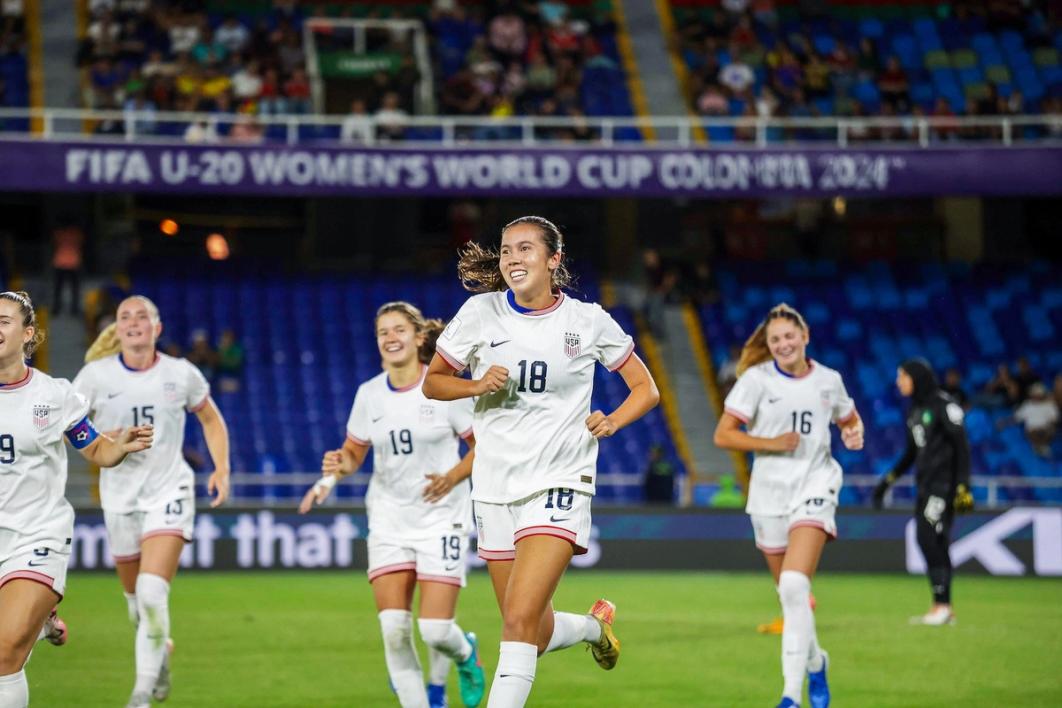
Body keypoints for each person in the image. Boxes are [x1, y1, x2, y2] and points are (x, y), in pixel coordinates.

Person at [423, 216, 660, 708]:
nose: (512, 258)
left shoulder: (587, 320)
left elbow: (646, 388)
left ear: (554, 259)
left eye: (525, 249)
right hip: (493, 488)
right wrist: (475, 383)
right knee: (530, 629)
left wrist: (613, 421)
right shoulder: (479, 312)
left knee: (516, 624)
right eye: (507, 250)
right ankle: (595, 628)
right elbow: (433, 382)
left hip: (559, 480)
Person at [300, 301, 486, 708]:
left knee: (436, 630)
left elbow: (483, 446)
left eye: (399, 329)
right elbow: (353, 454)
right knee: (394, 630)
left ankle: (466, 652)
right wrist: (334, 471)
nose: (390, 337)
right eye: (383, 331)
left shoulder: (444, 388)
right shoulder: (369, 394)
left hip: (442, 517)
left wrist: (452, 477)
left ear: (419, 338)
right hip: (388, 518)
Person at [73, 295, 231, 708]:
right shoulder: (94, 377)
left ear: (157, 328)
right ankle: (160, 657)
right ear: (117, 329)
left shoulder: (181, 374)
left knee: (150, 592)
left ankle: (141, 693)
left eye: (142, 316)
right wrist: (105, 443)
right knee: (135, 607)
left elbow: (211, 418)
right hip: (119, 499)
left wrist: (221, 468)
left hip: (169, 492)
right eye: (125, 317)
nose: (133, 322)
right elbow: (69, 427)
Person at [0, 290, 153, 707]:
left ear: (28, 333)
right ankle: (43, 619)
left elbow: (95, 448)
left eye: (4, 321)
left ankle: (33, 613)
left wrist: (116, 447)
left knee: (5, 651)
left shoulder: (53, 395)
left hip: (36, 534)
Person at [713, 303, 864, 708]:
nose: (783, 344)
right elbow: (724, 435)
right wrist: (771, 443)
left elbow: (850, 419)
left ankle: (789, 696)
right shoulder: (755, 381)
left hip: (816, 484)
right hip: (769, 495)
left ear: (805, 336)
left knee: (796, 585)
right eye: (775, 339)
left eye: (789, 336)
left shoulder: (829, 380)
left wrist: (854, 433)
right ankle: (816, 662)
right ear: (769, 345)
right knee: (790, 596)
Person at [872, 359, 973, 626]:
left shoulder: (944, 404)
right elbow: (911, 453)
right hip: (926, 485)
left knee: (929, 538)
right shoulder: (914, 410)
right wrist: (887, 482)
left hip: (944, 486)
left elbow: (961, 446)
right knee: (930, 541)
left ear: (916, 377)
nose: (898, 382)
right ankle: (942, 606)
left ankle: (942, 606)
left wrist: (963, 487)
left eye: (902, 376)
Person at [1007, 382, 1059, 457]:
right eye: (1035, 394)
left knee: (1050, 431)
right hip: (1032, 430)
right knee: (1033, 432)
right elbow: (1017, 418)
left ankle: (1040, 447)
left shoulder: (1050, 405)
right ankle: (1040, 447)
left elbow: (1055, 419)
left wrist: (1051, 425)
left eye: (1039, 394)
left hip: (1046, 430)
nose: (1037, 396)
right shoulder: (1027, 405)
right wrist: (1005, 423)